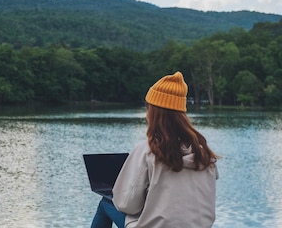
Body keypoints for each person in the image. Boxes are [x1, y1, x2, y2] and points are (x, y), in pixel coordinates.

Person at [91, 71, 219, 228]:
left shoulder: (148, 151)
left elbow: (127, 205)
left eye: (148, 109)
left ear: (153, 112)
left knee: (106, 203)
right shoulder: (205, 155)